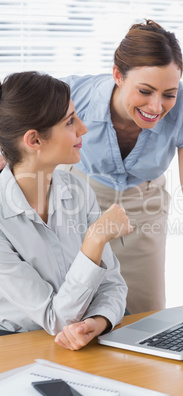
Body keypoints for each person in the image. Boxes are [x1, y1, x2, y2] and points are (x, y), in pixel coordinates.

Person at [59, 19, 183, 315]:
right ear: (118, 76)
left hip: (143, 207)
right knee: (74, 310)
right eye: (145, 91)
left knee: (143, 316)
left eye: (168, 94)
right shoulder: (74, 95)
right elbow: (18, 136)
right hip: (78, 200)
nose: (156, 107)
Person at [0, 71, 133, 350]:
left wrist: (98, 321)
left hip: (84, 337)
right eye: (70, 121)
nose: (83, 129)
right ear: (34, 140)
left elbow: (113, 285)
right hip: (20, 347)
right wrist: (95, 240)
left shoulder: (78, 190)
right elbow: (54, 318)